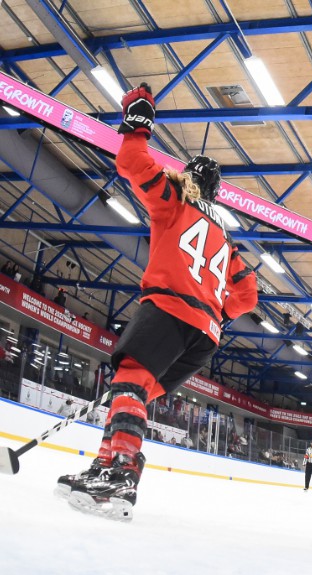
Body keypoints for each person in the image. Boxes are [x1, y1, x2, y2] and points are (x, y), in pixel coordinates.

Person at [57, 83, 258, 521]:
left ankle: (123, 469)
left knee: (129, 379)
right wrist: (216, 312)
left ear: (188, 176)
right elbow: (248, 295)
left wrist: (138, 121)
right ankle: (107, 463)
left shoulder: (174, 203)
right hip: (205, 336)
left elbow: (131, 162)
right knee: (134, 390)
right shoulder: (227, 242)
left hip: (169, 309)